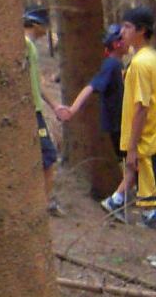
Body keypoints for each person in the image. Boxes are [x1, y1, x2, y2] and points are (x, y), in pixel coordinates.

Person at [111, 6, 156, 269]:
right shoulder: (154, 57)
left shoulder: (141, 63)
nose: (122, 32)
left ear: (142, 30)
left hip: (152, 143)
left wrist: (131, 149)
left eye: (128, 27)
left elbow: (141, 107)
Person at [56, 25, 131, 218]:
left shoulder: (118, 65)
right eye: (123, 38)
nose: (128, 40)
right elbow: (91, 86)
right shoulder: (111, 65)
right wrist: (72, 109)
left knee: (134, 164)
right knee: (136, 163)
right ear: (116, 44)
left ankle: (123, 202)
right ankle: (116, 201)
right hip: (119, 125)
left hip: (122, 124)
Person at [22, 6, 66, 214]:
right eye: (45, 24)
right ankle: (43, 203)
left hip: (35, 110)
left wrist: (54, 106)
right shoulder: (24, 45)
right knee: (48, 155)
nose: (47, 30)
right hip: (29, 111)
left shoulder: (30, 46)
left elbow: (36, 83)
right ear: (36, 24)